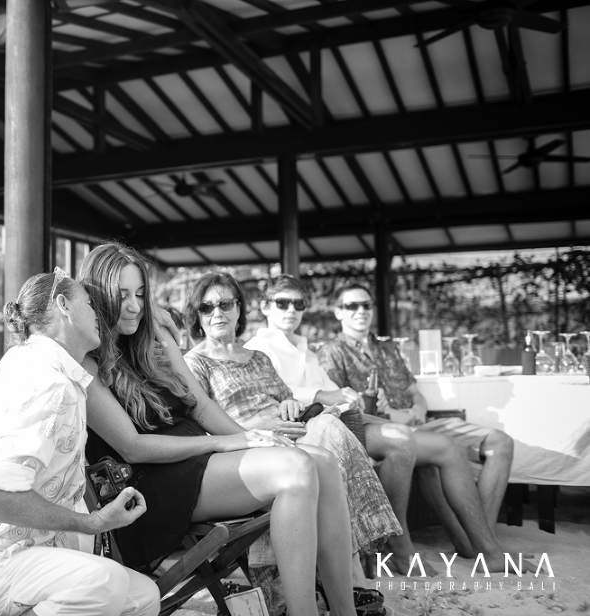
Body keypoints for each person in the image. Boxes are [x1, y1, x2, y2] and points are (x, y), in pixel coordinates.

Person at [78, 243, 355, 616]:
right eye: (122, 295)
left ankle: (344, 611)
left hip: (196, 460)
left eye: (142, 294)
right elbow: (132, 447)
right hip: (147, 486)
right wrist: (231, 442)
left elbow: (201, 405)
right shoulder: (85, 361)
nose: (134, 306)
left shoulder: (154, 335)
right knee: (296, 468)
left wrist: (255, 441)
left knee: (321, 460)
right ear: (99, 296)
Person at [0, 270, 159, 616]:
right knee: (104, 582)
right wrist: (94, 523)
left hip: (23, 554)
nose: (99, 314)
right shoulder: (46, 381)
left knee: (143, 594)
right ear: (64, 306)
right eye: (89, 303)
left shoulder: (38, 365)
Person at [182, 272, 400, 561]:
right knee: (329, 431)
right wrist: (264, 427)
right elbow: (205, 428)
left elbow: (287, 398)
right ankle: (360, 553)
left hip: (293, 432)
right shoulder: (194, 363)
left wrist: (288, 405)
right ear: (196, 316)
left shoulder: (258, 357)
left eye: (225, 304)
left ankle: (349, 563)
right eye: (206, 307)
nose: (217, 313)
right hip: (250, 448)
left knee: (327, 425)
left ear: (238, 310)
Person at [317, 282, 520, 573]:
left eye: (365, 305)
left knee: (500, 441)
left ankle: (478, 539)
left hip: (417, 420)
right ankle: (481, 545)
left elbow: (415, 392)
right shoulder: (332, 351)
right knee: (442, 451)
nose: (360, 311)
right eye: (352, 306)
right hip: (385, 427)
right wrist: (395, 416)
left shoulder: (386, 347)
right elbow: (343, 405)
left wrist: (415, 409)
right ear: (338, 312)